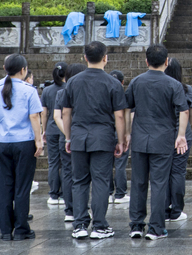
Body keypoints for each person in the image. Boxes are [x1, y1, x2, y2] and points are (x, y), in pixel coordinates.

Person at [61, 41, 127, 240]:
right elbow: (120, 116)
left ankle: (79, 224)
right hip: (103, 137)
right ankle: (99, 225)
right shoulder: (113, 83)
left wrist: (68, 137)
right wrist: (121, 140)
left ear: (85, 58)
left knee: (79, 181)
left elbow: (66, 113)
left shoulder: (73, 82)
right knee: (100, 181)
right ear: (105, 58)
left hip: (79, 136)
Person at [125, 44, 189, 241]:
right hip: (163, 139)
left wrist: (127, 134)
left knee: (138, 183)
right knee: (160, 183)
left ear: (146, 61)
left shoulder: (136, 82)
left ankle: (136, 225)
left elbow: (126, 109)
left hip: (140, 139)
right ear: (166, 61)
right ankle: (156, 228)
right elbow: (184, 110)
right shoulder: (173, 85)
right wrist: (181, 135)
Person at [0, 54, 44, 241]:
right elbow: (34, 117)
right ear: (24, 70)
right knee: (22, 187)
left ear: (5, 68)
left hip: (3, 142)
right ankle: (21, 228)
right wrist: (39, 141)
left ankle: (4, 229)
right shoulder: (29, 90)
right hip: (24, 143)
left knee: (3, 186)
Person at [54, 63, 85, 223]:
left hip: (66, 138)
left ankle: (70, 210)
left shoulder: (62, 92)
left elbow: (57, 116)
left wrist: (67, 134)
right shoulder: (85, 91)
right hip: (81, 137)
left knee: (67, 174)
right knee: (82, 176)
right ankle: (81, 209)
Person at [164, 57, 192, 224]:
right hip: (182, 134)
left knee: (163, 173)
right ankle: (176, 209)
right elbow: (191, 114)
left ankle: (163, 208)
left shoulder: (162, 87)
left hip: (164, 133)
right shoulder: (186, 89)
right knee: (178, 172)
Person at [40, 63, 68, 206]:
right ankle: (64, 193)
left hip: (51, 128)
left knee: (53, 162)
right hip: (65, 129)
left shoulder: (47, 90)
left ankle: (53, 194)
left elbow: (44, 113)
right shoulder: (68, 89)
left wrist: (43, 130)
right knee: (66, 163)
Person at [109, 70, 129, 205]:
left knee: (106, 165)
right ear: (122, 82)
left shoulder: (104, 93)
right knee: (120, 164)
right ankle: (120, 194)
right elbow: (124, 116)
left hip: (106, 132)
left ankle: (108, 192)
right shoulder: (124, 96)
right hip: (119, 131)